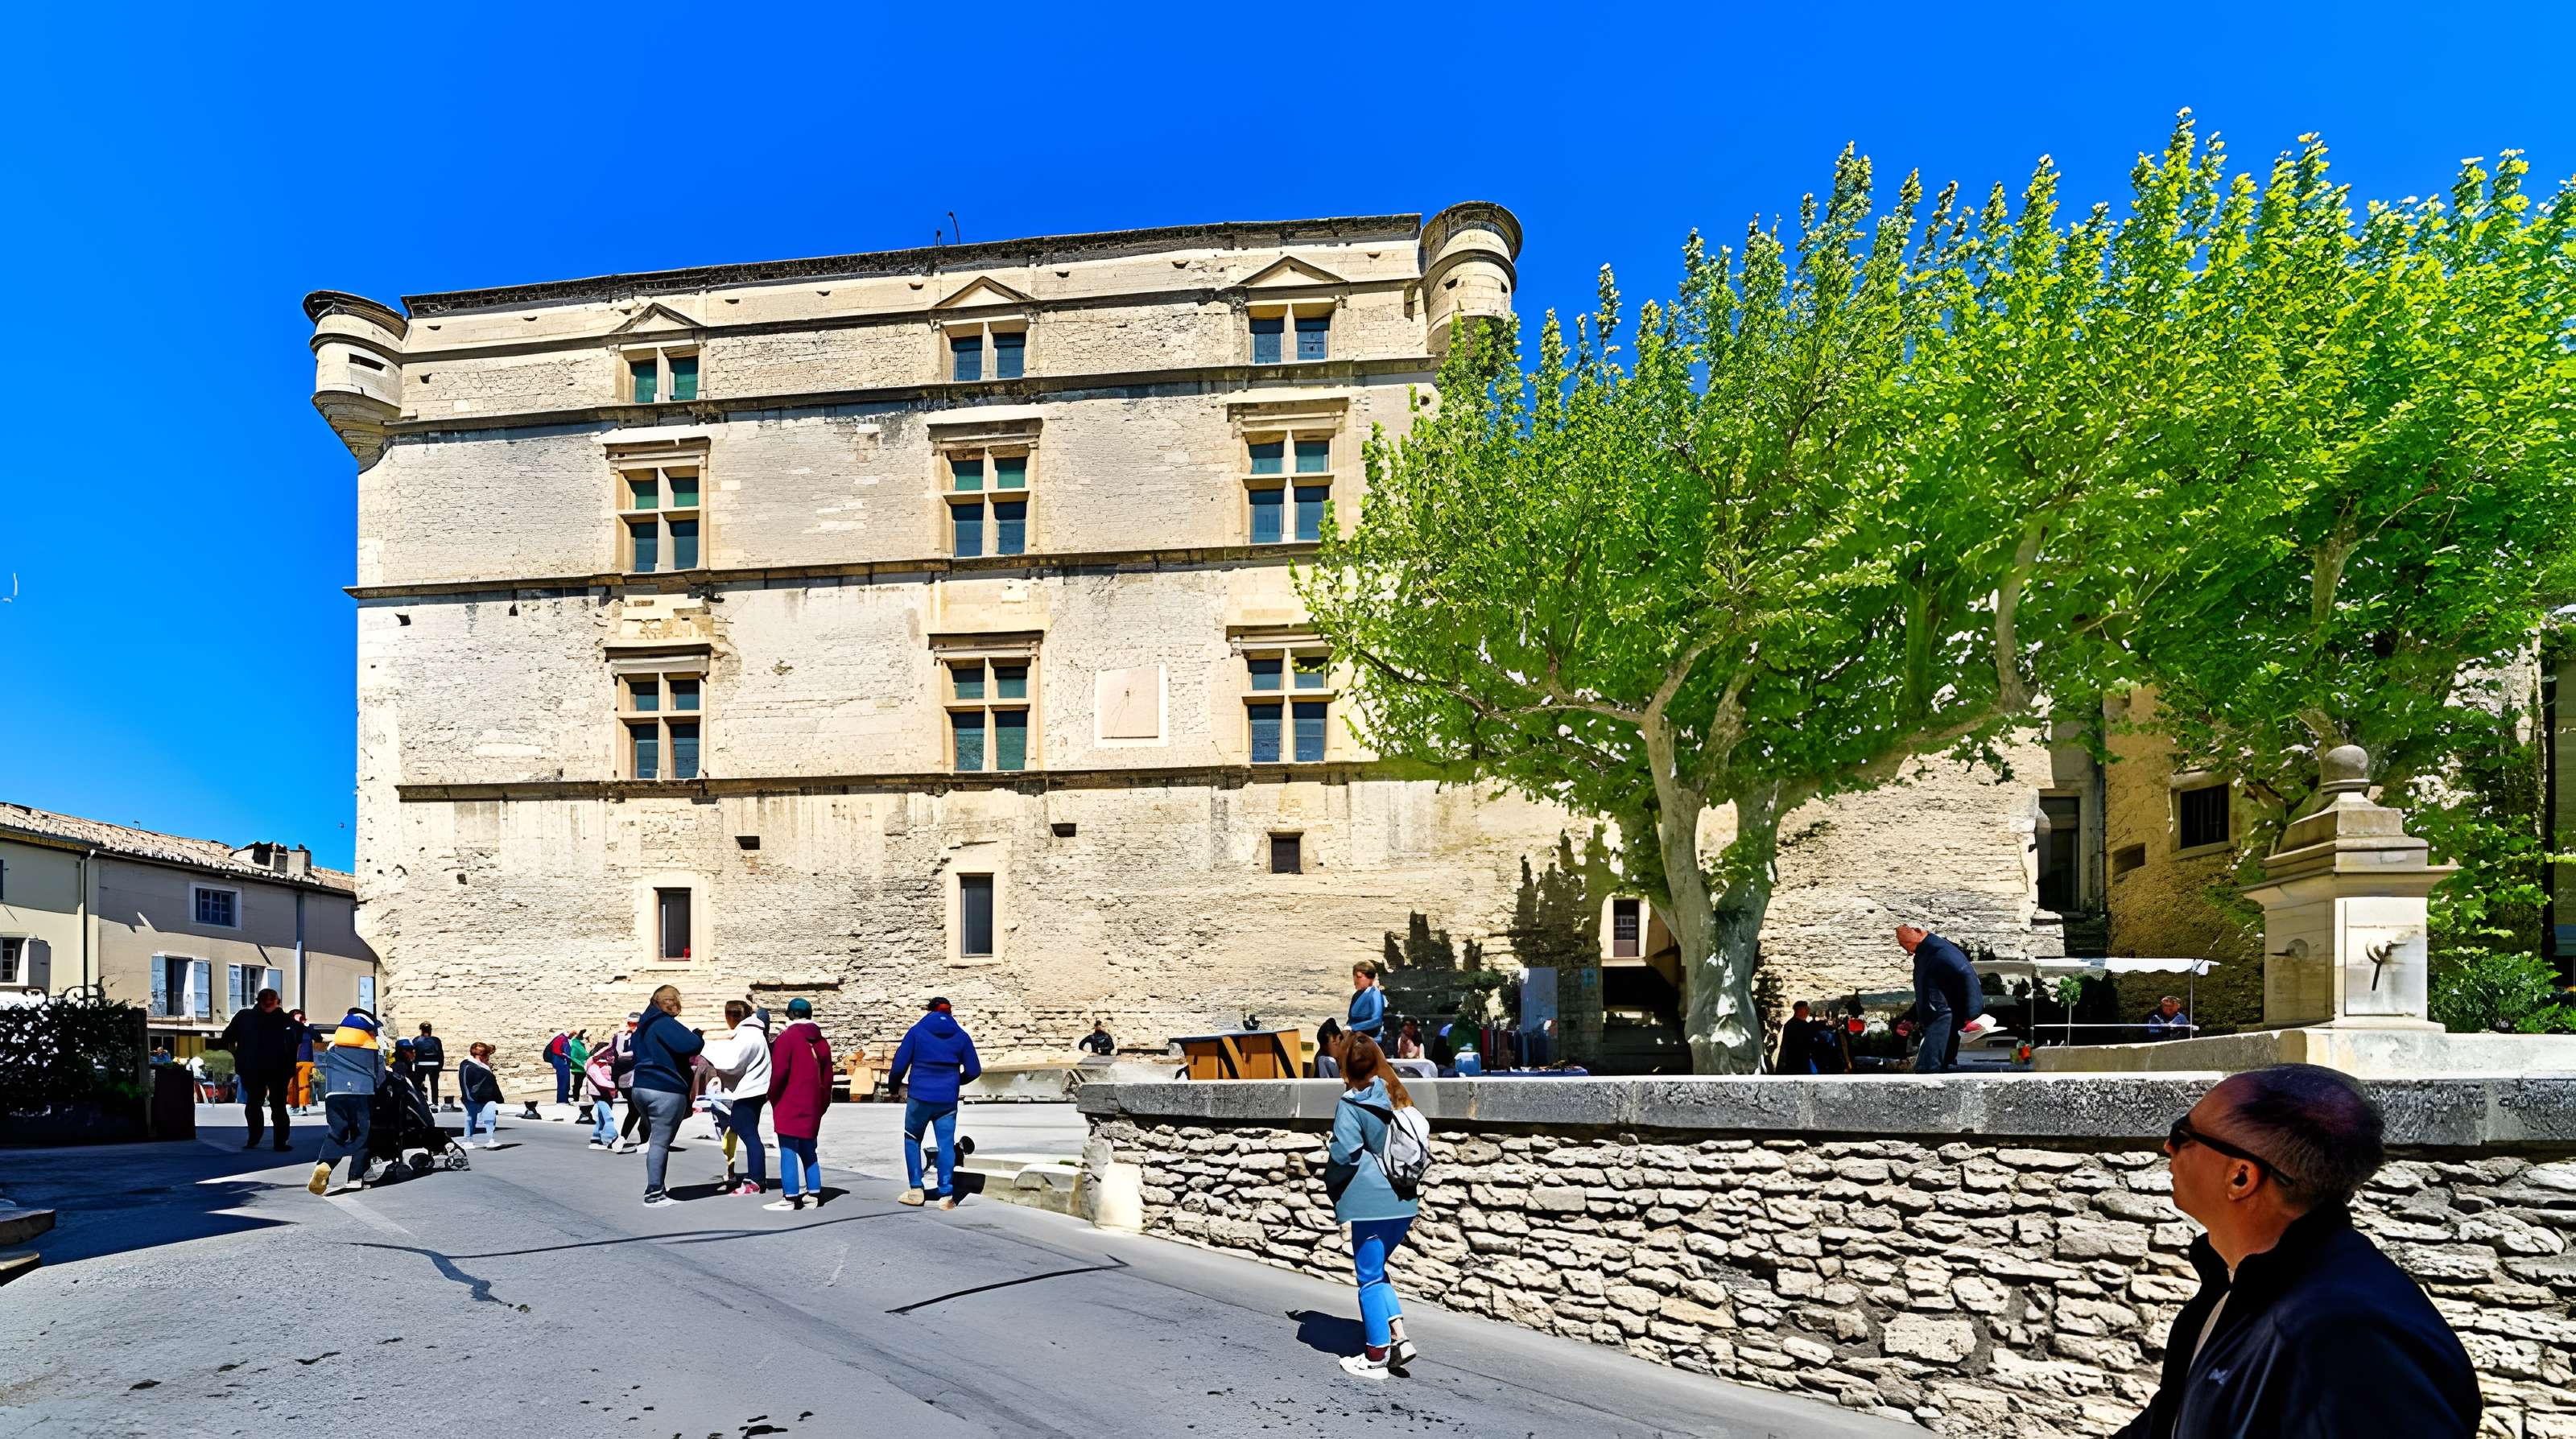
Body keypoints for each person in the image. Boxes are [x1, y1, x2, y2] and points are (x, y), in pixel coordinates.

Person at [2118, 1065, 2477, 1438]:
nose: (2167, 1146)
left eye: (2184, 1134)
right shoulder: (2238, 1285)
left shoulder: (2353, 1335)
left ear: (2240, 1177)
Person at [1325, 1033, 1420, 1378]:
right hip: (1404, 1202)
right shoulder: (1396, 1093)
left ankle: (1376, 1355)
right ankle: (1400, 1338)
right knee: (1378, 1271)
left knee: (1367, 1279)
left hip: (1371, 1204)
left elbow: (1344, 1155)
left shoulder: (1351, 1105)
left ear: (1345, 1066)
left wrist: (1330, 1178)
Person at [889, 996, 981, 1210]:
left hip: (919, 1097)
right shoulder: (961, 1036)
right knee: (946, 1143)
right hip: (947, 1100)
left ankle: (916, 1190)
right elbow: (975, 1070)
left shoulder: (917, 1032)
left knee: (912, 1138)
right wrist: (955, 1081)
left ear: (929, 1011)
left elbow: (899, 1065)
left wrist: (893, 1088)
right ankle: (946, 1194)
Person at [629, 985, 704, 1206]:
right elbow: (690, 1045)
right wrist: (697, 1035)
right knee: (660, 1143)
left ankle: (658, 1184)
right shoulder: (663, 1023)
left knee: (656, 1140)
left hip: (641, 1087)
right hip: (664, 1087)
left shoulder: (643, 1025)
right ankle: (654, 1193)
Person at [766, 997, 835, 1212]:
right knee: (808, 1148)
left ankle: (790, 1196)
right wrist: (823, 1103)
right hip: (813, 1100)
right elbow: (828, 1076)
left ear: (790, 1014)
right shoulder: (821, 1041)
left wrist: (772, 1096)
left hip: (790, 1099)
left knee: (787, 1148)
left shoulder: (787, 1038)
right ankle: (813, 1194)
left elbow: (779, 1073)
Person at [308, 1008, 386, 1196]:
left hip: (334, 1095)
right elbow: (380, 1076)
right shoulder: (372, 1049)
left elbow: (326, 1070)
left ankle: (325, 1163)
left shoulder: (333, 1046)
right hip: (362, 1094)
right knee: (361, 1135)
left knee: (336, 1133)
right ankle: (355, 1177)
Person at [216, 987, 300, 1151]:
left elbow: (227, 1039)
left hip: (264, 1068)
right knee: (271, 1105)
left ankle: (258, 1139)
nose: (269, 1003)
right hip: (265, 1068)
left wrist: (237, 1056)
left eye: (271, 1000)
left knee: (262, 1104)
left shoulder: (248, 1017)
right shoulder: (284, 1020)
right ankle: (274, 1141)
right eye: (267, 1000)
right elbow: (295, 1044)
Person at [704, 1000, 771, 1197]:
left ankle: (756, 1180)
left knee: (749, 1134)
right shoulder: (753, 1033)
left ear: (732, 1016)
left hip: (749, 1092)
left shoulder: (748, 1035)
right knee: (747, 1132)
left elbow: (731, 1063)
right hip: (755, 1090)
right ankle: (757, 1177)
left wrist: (703, 1046)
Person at [1896, 925, 1984, 1074]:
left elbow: (1967, 975)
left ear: (1917, 931)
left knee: (1929, 1071)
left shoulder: (1940, 951)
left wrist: (1972, 1015)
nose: (1909, 951)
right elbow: (1929, 993)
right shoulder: (1928, 953)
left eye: (1906, 943)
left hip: (1943, 1022)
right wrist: (1910, 1018)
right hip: (1937, 1021)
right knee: (1929, 1070)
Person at [457, 1041, 503, 1148]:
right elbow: (465, 1083)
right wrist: (469, 1097)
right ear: (481, 1056)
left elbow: (491, 1083)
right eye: (487, 1055)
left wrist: (497, 1097)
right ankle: (468, 1140)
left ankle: (490, 1139)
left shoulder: (484, 1066)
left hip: (488, 1097)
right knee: (471, 1118)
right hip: (473, 1098)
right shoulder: (468, 1066)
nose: (488, 1057)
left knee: (490, 1117)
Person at [613, 1012, 646, 1152]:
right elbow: (619, 1054)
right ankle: (640, 1140)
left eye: (635, 1024)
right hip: (628, 1080)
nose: (632, 1027)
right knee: (638, 1110)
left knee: (637, 1110)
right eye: (630, 1023)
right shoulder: (622, 1037)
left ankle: (625, 1138)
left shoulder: (643, 1036)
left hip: (637, 1078)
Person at [582, 1031, 620, 1148]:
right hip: (599, 1093)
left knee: (602, 1115)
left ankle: (596, 1135)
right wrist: (612, 1085)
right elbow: (600, 1080)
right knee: (608, 1116)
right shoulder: (595, 1066)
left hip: (606, 1093)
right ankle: (610, 1135)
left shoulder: (607, 1064)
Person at [1773, 1000, 1828, 1076]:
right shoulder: (1796, 1025)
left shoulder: (1792, 1024)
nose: (1808, 1011)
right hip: (1797, 1062)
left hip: (1797, 1061)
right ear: (1799, 1010)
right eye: (1806, 1009)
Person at [1346, 961, 1387, 1041]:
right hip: (1354, 1037)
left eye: (1359, 977)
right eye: (1354, 976)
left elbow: (1376, 1020)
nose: (1355, 980)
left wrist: (1353, 1028)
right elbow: (1350, 1019)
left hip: (1371, 1039)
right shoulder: (1356, 995)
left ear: (1370, 979)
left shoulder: (1375, 994)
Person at [412, 1022, 448, 1110]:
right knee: (434, 1084)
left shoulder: (416, 1040)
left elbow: (413, 1053)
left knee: (419, 1083)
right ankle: (435, 1102)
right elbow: (441, 1054)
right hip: (434, 1064)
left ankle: (421, 1101)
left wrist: (414, 1062)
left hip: (420, 1064)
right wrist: (440, 1065)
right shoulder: (436, 1040)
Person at [543, 1029, 573, 1106]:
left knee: (564, 1082)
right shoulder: (562, 1038)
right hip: (562, 1063)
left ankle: (563, 1099)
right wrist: (565, 1056)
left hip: (561, 1063)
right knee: (563, 1082)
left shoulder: (561, 1038)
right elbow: (557, 1050)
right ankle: (562, 1100)